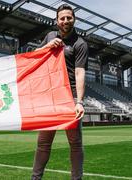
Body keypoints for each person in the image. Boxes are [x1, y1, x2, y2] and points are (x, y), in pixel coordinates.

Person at [31, 4, 88, 180]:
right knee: (43, 143)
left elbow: (80, 73)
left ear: (74, 19)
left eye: (68, 18)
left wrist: (79, 101)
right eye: (62, 18)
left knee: (75, 143)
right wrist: (47, 46)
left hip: (69, 97)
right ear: (57, 21)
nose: (65, 21)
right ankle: (35, 177)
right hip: (51, 95)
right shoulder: (50, 36)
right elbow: (35, 55)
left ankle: (76, 178)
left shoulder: (80, 44)